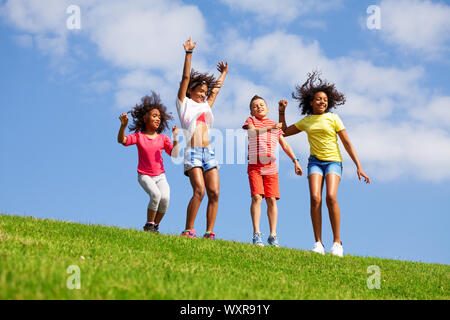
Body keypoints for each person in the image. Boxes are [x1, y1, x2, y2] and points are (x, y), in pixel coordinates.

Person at [278, 71, 370, 257]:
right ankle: (318, 243)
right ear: (311, 102)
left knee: (330, 197)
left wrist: (359, 166)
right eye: (319, 99)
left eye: (325, 100)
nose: (322, 102)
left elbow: (347, 143)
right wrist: (281, 111)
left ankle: (337, 242)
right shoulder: (307, 120)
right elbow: (285, 132)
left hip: (333, 161)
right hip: (315, 162)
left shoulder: (334, 118)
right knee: (315, 198)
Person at [176, 37, 228, 240]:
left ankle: (209, 232)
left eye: (205, 93)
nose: (204, 95)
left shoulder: (206, 105)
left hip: (209, 152)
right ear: (191, 91)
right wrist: (189, 54)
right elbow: (185, 78)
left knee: (214, 192)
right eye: (200, 91)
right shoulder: (184, 104)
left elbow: (216, 90)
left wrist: (223, 74)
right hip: (192, 152)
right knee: (199, 190)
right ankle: (188, 230)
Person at [242, 95, 303, 247]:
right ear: (251, 111)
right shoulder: (251, 121)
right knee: (257, 197)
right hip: (255, 165)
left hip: (271, 167)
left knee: (271, 200)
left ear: (268, 109)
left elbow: (284, 144)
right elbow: (252, 132)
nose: (259, 107)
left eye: (262, 104)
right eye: (255, 106)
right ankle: (257, 234)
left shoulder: (274, 125)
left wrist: (295, 161)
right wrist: (271, 128)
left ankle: (273, 235)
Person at [117, 92, 179, 233]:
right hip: (144, 175)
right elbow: (122, 140)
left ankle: (153, 227)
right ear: (145, 118)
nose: (158, 119)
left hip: (160, 176)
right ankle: (149, 225)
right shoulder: (139, 136)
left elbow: (175, 155)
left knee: (165, 199)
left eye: (159, 117)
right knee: (155, 195)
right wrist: (123, 126)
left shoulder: (163, 138)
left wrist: (175, 138)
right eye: (154, 116)